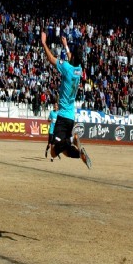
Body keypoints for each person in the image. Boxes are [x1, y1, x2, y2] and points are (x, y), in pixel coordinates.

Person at [40, 32, 90, 169]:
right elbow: (71, 58)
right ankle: (80, 154)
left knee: (53, 151)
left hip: (62, 117)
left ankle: (72, 139)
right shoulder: (78, 70)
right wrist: (66, 46)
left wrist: (44, 43)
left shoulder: (67, 68)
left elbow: (51, 59)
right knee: (66, 152)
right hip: (71, 117)